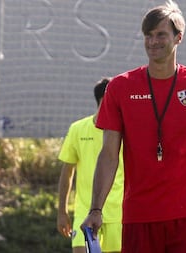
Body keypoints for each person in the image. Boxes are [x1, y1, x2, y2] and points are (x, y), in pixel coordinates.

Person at [81, 1, 186, 252]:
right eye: (148, 35)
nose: (153, 41)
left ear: (178, 38)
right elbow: (109, 154)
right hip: (139, 215)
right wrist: (96, 209)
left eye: (161, 34)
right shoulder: (120, 87)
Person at [57, 77, 124, 253]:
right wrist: (62, 211)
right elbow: (67, 173)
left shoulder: (127, 132)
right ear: (101, 101)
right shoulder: (77, 129)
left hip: (119, 215)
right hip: (85, 213)